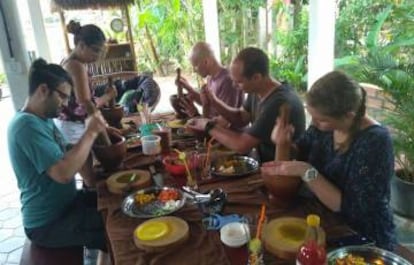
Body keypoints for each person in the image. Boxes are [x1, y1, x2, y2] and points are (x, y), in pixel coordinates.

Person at [261, 71, 396, 250]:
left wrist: (307, 171)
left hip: (360, 235)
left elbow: (353, 209)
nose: (314, 124)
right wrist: (282, 143)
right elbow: (295, 158)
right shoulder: (322, 126)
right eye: (313, 118)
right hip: (322, 217)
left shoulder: (375, 141)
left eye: (321, 120)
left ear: (349, 115)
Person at [7, 59, 110, 263]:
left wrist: (101, 137)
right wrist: (90, 132)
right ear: (44, 90)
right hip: (47, 223)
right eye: (63, 96)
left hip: (66, 205)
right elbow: (62, 173)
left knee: (112, 202)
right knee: (113, 227)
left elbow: (69, 152)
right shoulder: (25, 126)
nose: (65, 104)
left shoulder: (42, 119)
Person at [187, 47, 306, 163]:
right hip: (262, 161)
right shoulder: (257, 89)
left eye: (239, 82)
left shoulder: (278, 103)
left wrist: (207, 126)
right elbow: (240, 118)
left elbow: (242, 145)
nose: (234, 85)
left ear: (256, 77)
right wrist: (214, 101)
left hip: (282, 173)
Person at [56, 20, 117, 143]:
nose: (97, 56)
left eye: (100, 51)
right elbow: (85, 104)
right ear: (81, 45)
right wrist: (109, 96)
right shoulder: (76, 66)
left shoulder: (67, 61)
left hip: (68, 125)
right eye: (95, 50)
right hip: (73, 129)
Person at [175, 41, 244, 119]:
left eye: (195, 66)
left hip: (229, 130)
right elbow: (209, 104)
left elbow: (226, 121)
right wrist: (188, 88)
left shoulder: (228, 81)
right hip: (212, 127)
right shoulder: (210, 78)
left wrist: (196, 115)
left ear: (206, 62)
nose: (194, 70)